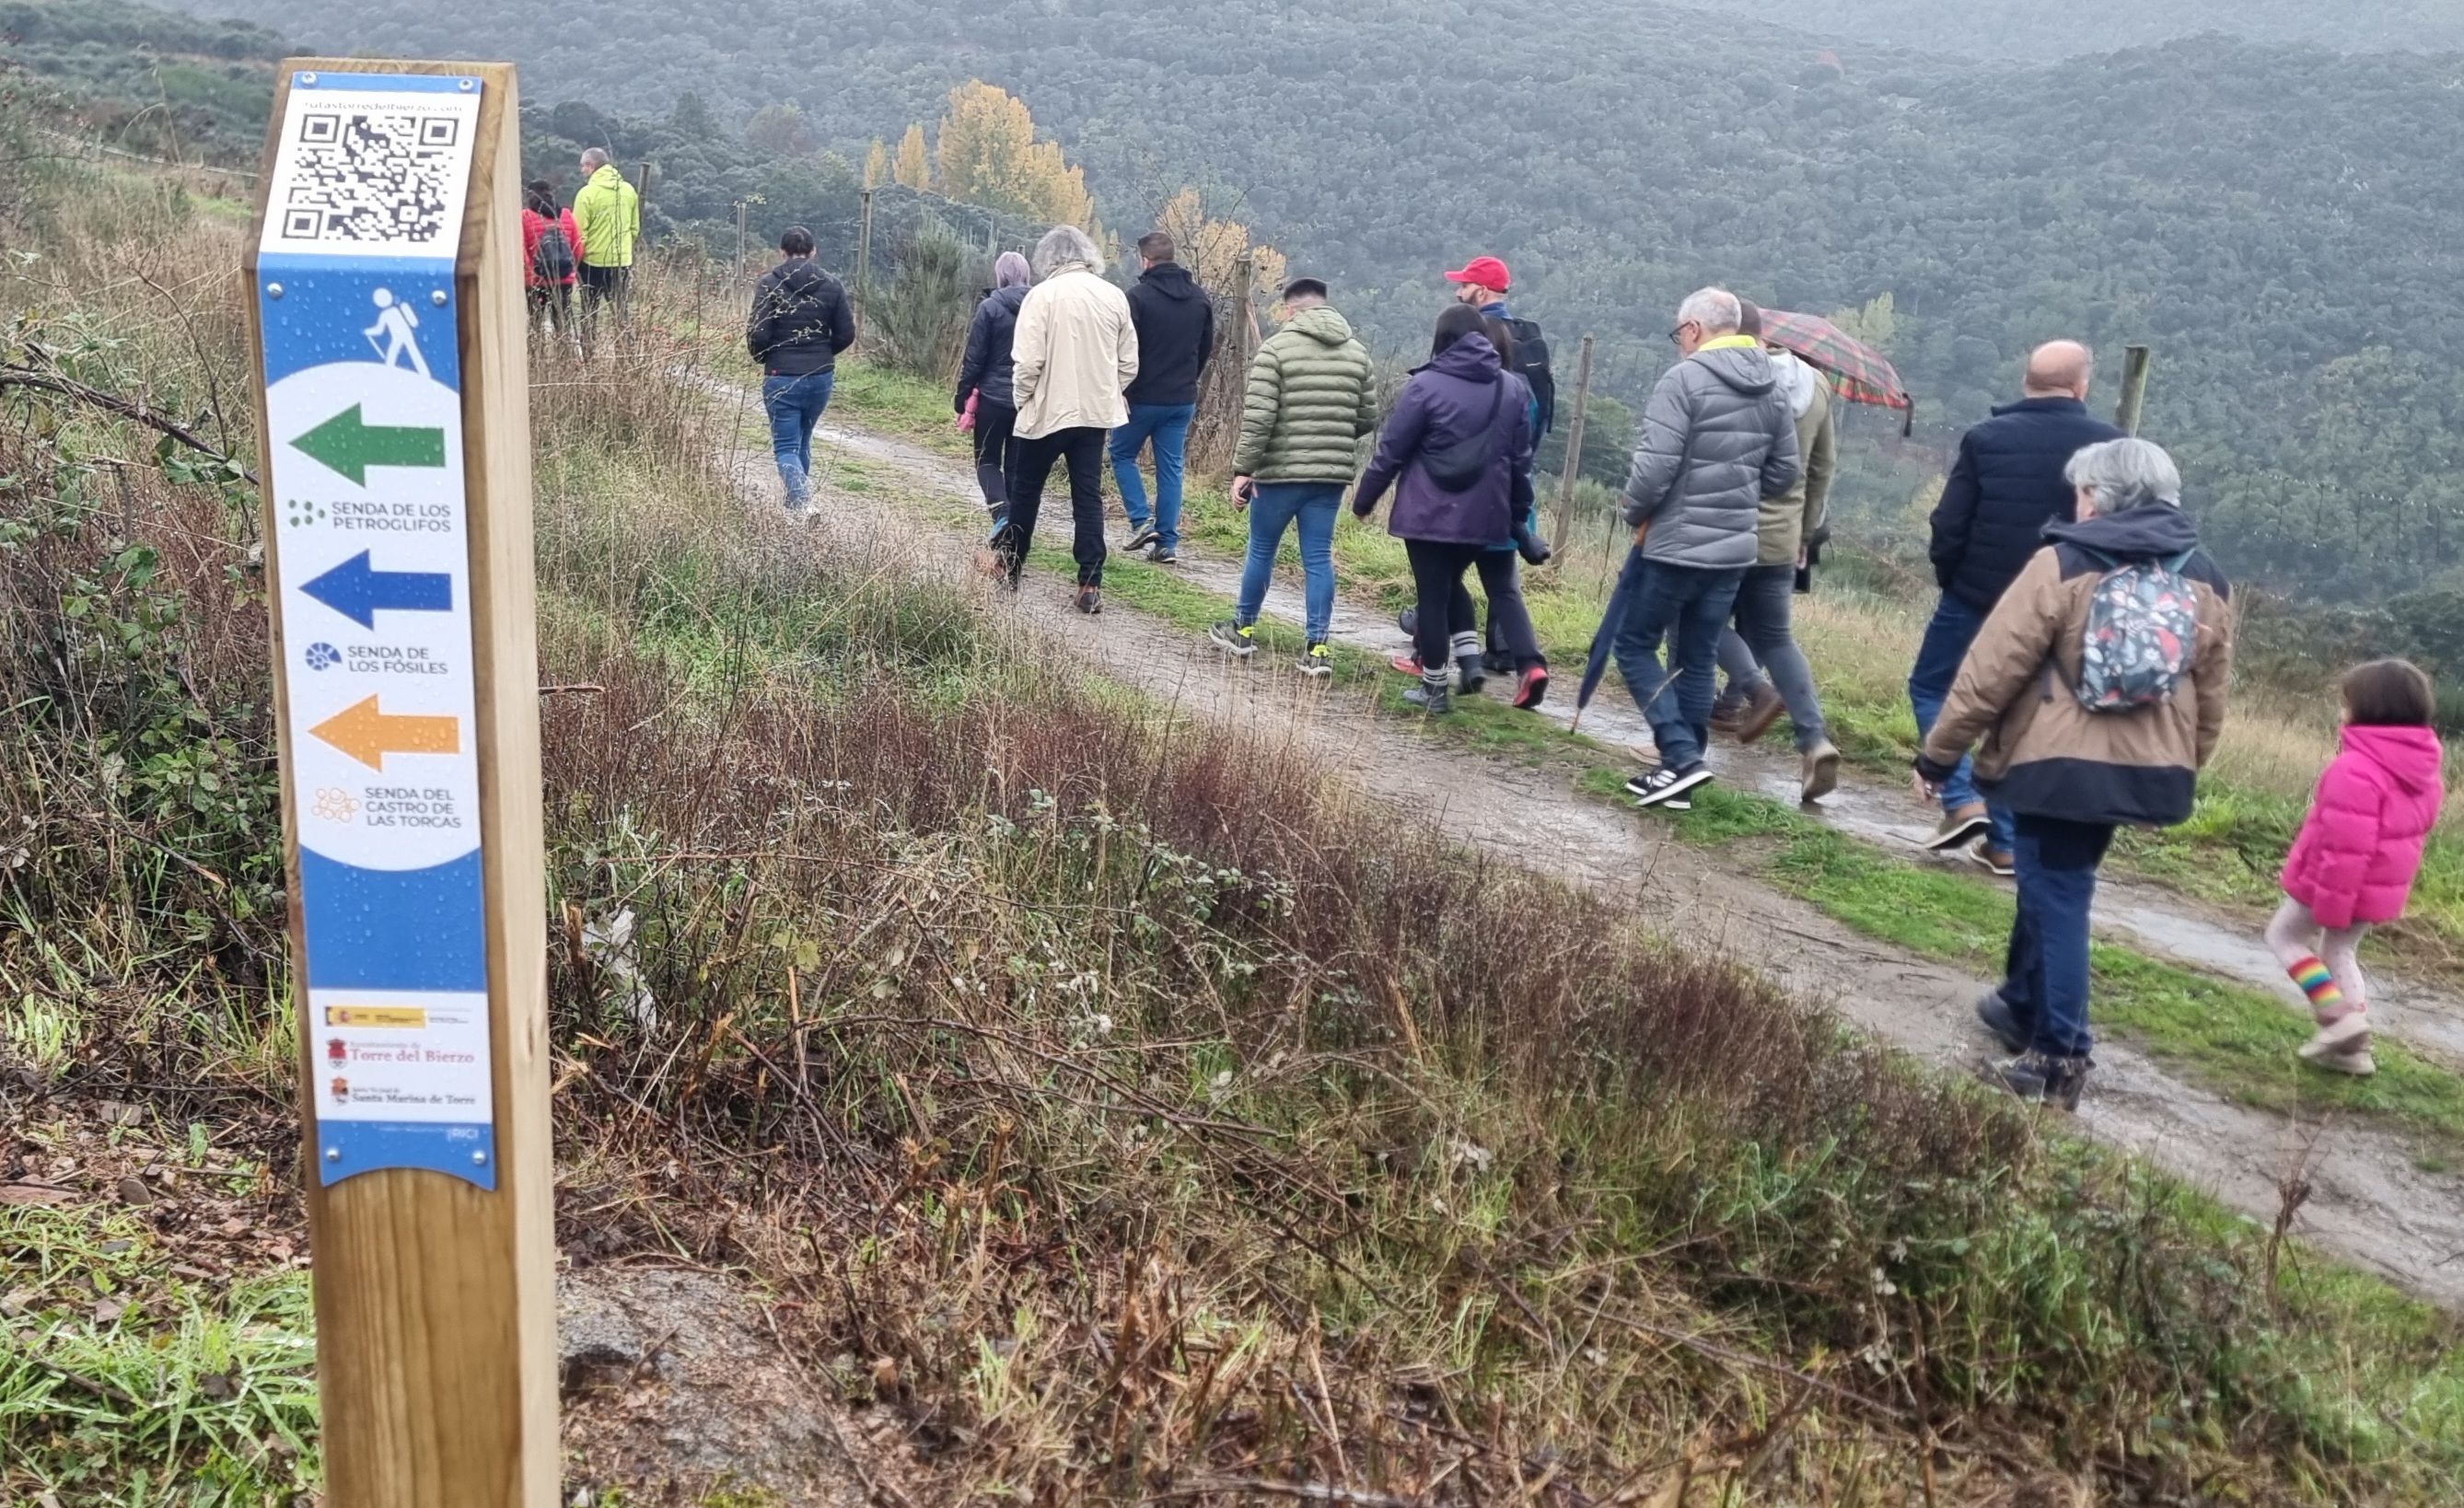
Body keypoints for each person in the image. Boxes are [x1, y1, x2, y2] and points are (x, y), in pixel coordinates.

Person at [1917, 438, 2233, 1108]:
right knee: (2056, 882)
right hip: (2146, 769)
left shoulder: (2060, 563)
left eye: (2083, 491)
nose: (2077, 502)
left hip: (2054, 764)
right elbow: (2210, 695)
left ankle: (2061, 1055)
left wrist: (1940, 755)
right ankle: (2021, 1004)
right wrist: (2182, 770)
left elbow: (1988, 673)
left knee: (2058, 898)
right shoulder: (2204, 575)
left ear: (2104, 497)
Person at [1913, 340, 2124, 874]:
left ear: (2026, 382)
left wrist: (1954, 580)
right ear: (2081, 387)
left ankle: (1962, 798)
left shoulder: (1987, 438)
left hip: (1979, 596)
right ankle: (2005, 841)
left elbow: (1950, 523)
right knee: (2024, 711)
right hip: (2068, 604)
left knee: (1934, 686)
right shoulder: (2112, 447)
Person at [1613, 287, 1801, 809]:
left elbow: (1653, 470)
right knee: (1697, 658)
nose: (1680, 343)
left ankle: (1681, 756)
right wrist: (1735, 498)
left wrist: (1632, 509)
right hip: (1735, 548)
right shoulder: (1772, 385)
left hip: (1675, 544)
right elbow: (1786, 475)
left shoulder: (1684, 380)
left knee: (1633, 645)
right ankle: (1681, 775)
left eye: (1680, 334)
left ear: (1694, 330)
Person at [1352, 305, 1535, 712]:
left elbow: (1391, 452)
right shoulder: (1513, 388)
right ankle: (1468, 662)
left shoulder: (1426, 385)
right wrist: (1518, 515)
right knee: (1451, 585)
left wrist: (1364, 500)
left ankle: (1435, 688)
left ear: (1444, 340)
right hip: (1486, 514)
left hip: (1427, 512)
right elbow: (1521, 462)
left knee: (1432, 597)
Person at [2264, 659, 2443, 1078]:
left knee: (2285, 937)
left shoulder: (2355, 769)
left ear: (2368, 708)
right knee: (2341, 950)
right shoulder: (2426, 771)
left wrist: (2330, 903)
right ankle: (2353, 1051)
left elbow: (2346, 849)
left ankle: (2337, 1015)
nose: (2341, 711)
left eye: (2346, 703)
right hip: (2381, 889)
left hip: (2337, 886)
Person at [1208, 276, 1377, 678]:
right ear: (1324, 306)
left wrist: (1243, 470)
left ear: (1290, 310)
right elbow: (1367, 418)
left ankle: (1243, 630)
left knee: (1262, 550)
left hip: (1279, 475)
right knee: (1318, 558)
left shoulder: (1276, 350)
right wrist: (1331, 438)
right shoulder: (1357, 354)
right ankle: (1317, 649)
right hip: (1330, 476)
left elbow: (1260, 419)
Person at [1710, 300, 1841, 802]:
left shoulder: (1726, 376)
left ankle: (1747, 692)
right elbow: (1823, 467)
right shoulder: (1816, 384)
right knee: (1777, 637)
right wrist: (1805, 533)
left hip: (1723, 525)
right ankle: (1814, 739)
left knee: (1692, 617)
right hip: (1782, 535)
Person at [1002, 225, 1137, 614]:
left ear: (1047, 259)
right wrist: (1109, 392)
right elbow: (1129, 363)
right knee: (1087, 496)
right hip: (1094, 415)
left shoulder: (1041, 296)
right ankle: (1090, 582)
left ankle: (1011, 568)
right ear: (1088, 255)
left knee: (1026, 491)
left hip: (1046, 410)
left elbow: (1028, 362)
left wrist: (1021, 400)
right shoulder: (1114, 296)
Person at [1445, 254, 1556, 677]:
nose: (1457, 292)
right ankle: (1508, 652)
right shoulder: (1527, 336)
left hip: (1473, 476)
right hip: (1516, 472)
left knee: (1444, 567)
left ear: (1483, 290)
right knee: (1501, 571)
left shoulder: (1476, 333)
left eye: (1464, 285)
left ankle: (1438, 652)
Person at [1113, 231, 1215, 563]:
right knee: (1170, 469)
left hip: (1142, 397)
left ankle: (1142, 521)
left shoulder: (1138, 297)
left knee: (1121, 453)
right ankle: (1167, 544)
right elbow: (1205, 349)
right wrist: (1188, 381)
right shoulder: (1199, 298)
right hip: (1181, 399)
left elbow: (1124, 350)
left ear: (1145, 260)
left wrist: (1122, 388)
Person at [745, 226, 856, 513]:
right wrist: (821, 353)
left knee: (785, 448)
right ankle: (796, 510)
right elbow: (846, 333)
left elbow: (758, 334)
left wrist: (765, 358)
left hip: (781, 376)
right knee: (803, 440)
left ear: (782, 252)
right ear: (813, 252)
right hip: (820, 376)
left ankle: (803, 505)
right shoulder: (832, 284)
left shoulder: (769, 283)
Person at [956, 251, 1033, 534]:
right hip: (1027, 399)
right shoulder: (1040, 307)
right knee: (1015, 465)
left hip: (992, 397)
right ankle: (1016, 526)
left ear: (1000, 275)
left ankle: (1001, 514)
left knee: (986, 460)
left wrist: (962, 397)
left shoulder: (989, 307)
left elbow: (974, 358)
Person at [572, 148, 641, 340]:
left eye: (583, 166)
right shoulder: (628, 190)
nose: (581, 171)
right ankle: (627, 357)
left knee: (589, 313)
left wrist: (577, 262)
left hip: (592, 263)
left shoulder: (586, 194)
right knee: (621, 312)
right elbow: (634, 229)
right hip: (622, 261)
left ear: (590, 166)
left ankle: (588, 357)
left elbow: (579, 235)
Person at [519, 180, 583, 336]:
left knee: (536, 323)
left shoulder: (525, 216)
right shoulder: (567, 214)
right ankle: (564, 356)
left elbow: (522, 251)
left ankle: (536, 357)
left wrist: (531, 275)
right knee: (562, 322)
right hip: (564, 280)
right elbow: (578, 247)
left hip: (537, 281)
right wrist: (571, 269)